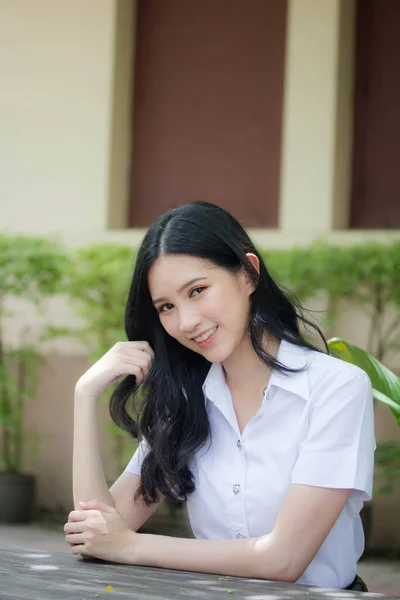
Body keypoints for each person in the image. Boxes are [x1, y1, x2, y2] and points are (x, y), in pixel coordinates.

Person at [64, 201, 375, 591]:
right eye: (166, 307)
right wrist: (83, 394)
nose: (186, 321)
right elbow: (95, 536)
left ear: (248, 274)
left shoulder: (336, 388)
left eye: (197, 290)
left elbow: (284, 559)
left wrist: (129, 546)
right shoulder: (185, 400)